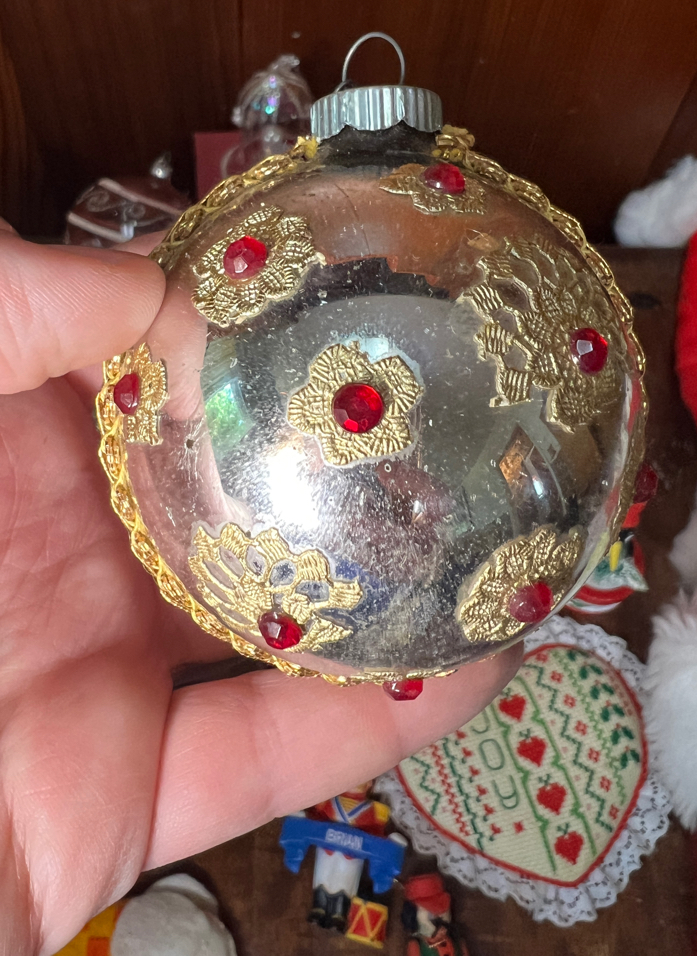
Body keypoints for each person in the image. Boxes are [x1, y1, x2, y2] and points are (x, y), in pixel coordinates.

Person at [0, 219, 517, 956]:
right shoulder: (276, 457)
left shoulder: (405, 518)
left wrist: (407, 526)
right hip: (263, 576)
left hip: (327, 605)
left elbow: (413, 558)